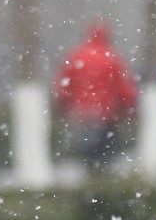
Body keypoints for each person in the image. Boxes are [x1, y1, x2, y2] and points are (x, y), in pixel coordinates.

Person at [52, 23, 139, 172]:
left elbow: (63, 87)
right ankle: (103, 187)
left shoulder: (75, 57)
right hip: (106, 117)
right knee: (105, 158)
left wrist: (62, 107)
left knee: (86, 156)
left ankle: (88, 182)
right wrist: (129, 109)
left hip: (82, 116)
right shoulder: (113, 59)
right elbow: (125, 89)